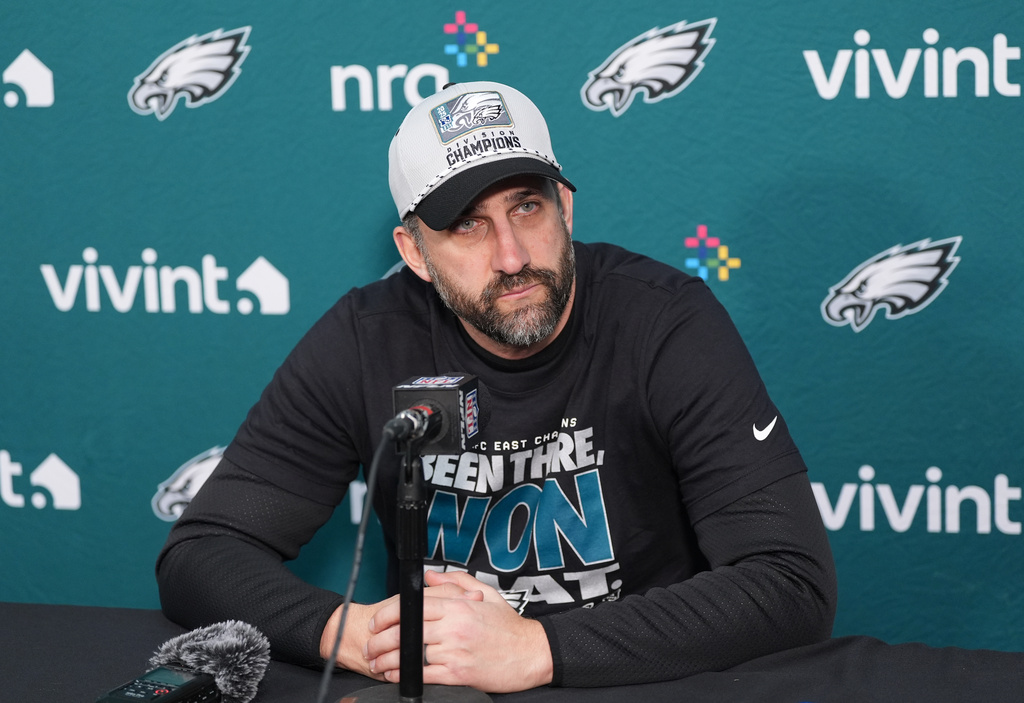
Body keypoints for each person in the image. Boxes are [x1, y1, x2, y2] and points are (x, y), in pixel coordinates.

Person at [157, 81, 837, 693]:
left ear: (565, 208)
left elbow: (790, 579)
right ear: (415, 251)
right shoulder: (367, 339)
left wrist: (539, 647)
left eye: (526, 208)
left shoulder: (665, 322)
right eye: (467, 225)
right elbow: (200, 552)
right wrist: (355, 634)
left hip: (636, 681)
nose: (512, 256)